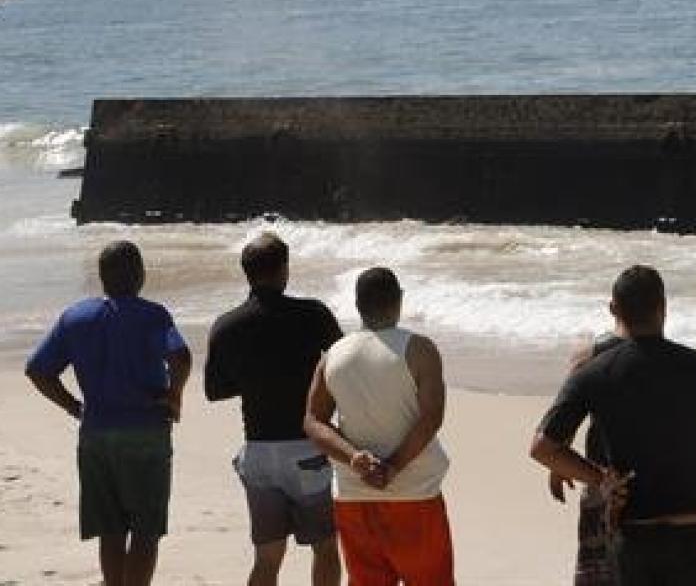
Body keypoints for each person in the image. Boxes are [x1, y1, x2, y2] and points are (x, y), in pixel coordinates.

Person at [531, 265, 696, 586]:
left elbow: (543, 447)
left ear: (614, 309)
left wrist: (601, 479)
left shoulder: (594, 372)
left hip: (636, 541)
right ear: (664, 307)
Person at [23, 240, 193, 586]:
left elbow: (38, 370)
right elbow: (181, 357)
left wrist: (73, 407)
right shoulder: (152, 315)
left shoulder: (75, 317)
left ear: (101, 276)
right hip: (146, 432)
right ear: (140, 274)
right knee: (146, 531)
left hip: (96, 434)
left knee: (111, 530)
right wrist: (174, 396)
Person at [205, 232, 344, 586]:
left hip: (259, 453)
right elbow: (345, 366)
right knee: (326, 548)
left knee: (267, 559)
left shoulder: (226, 325)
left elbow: (214, 390)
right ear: (284, 269)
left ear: (247, 273)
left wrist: (255, 378)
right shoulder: (312, 314)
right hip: (307, 448)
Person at [304, 267, 453, 586]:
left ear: (358, 305)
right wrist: (394, 466)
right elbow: (431, 417)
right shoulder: (419, 349)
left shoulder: (334, 355)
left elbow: (314, 421)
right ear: (399, 300)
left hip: (354, 495)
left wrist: (354, 459)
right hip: (415, 493)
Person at [546, 328, 626, 586]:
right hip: (652, 480)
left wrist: (559, 465)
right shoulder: (664, 353)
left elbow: (566, 415)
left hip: (601, 475)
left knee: (598, 566)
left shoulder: (590, 354)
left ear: (613, 309)